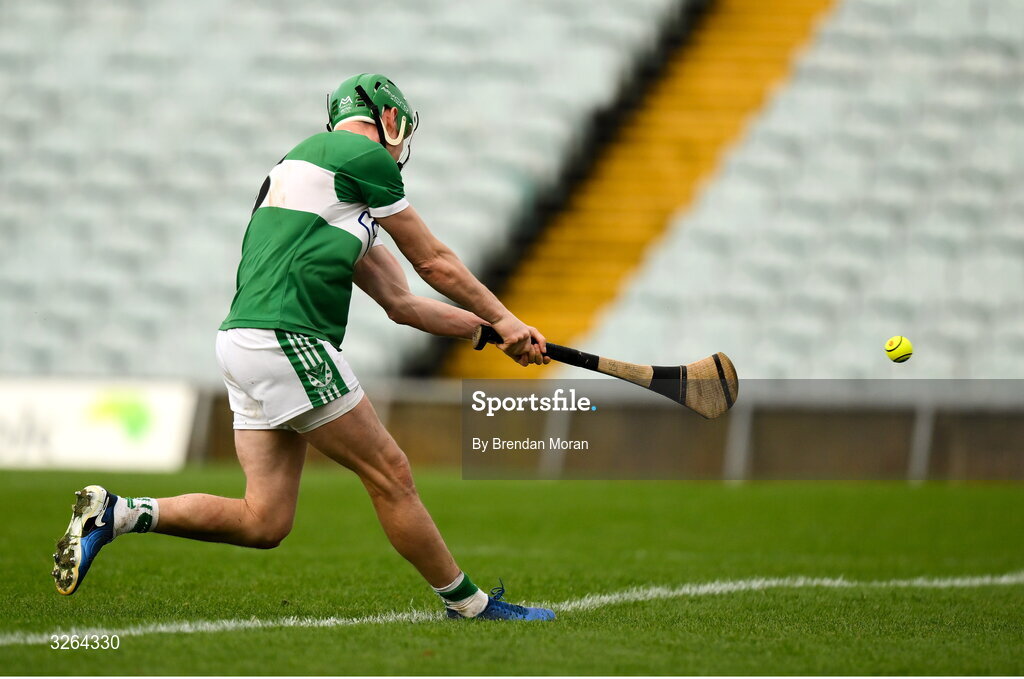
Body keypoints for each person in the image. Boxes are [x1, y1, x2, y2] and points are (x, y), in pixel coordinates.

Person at [51, 73, 555, 621]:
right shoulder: (362, 158)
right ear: (388, 118)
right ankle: (471, 606)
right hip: (286, 338)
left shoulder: (314, 183)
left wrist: (489, 333)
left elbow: (402, 304)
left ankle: (119, 514)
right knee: (391, 472)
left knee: (264, 520)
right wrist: (505, 315)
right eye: (401, 126)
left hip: (242, 342)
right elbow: (433, 260)